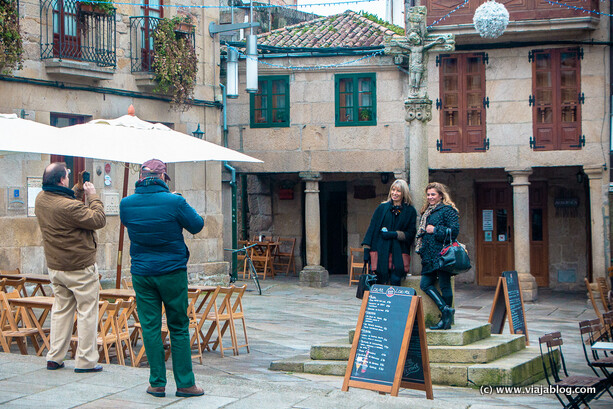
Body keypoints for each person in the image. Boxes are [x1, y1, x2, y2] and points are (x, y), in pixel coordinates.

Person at [119, 159, 204, 398]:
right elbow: (197, 225)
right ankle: (185, 384)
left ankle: (157, 383)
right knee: (178, 326)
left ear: (141, 177)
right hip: (172, 271)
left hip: (142, 272)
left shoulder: (126, 204)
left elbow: (129, 224)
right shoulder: (175, 201)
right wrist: (180, 202)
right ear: (163, 177)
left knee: (150, 326)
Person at [35, 163, 106, 372]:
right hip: (80, 267)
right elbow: (98, 219)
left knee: (61, 310)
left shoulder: (41, 199)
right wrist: (92, 196)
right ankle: (85, 361)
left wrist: (76, 189)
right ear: (60, 181)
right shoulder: (69, 207)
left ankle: (54, 357)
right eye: (66, 175)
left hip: (56, 267)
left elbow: (65, 206)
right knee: (87, 312)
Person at [415, 182, 460, 330]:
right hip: (429, 256)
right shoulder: (427, 211)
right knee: (425, 284)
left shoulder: (447, 210)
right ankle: (446, 310)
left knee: (445, 285)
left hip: (442, 255)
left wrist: (435, 230)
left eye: (433, 194)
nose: (430, 197)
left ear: (441, 195)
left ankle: (446, 320)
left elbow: (454, 231)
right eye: (428, 195)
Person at [362, 179, 417, 286]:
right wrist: (366, 250)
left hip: (399, 253)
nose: (394, 193)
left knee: (396, 280)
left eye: (398, 191)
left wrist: (395, 234)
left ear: (404, 193)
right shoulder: (382, 208)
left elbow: (411, 234)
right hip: (380, 250)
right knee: (380, 282)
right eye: (393, 189)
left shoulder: (410, 211)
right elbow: (372, 229)